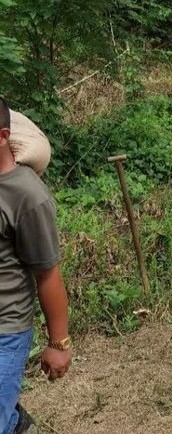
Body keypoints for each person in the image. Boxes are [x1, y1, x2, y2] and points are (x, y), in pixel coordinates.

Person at [0, 98, 72, 434]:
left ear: (3, 136)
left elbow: (48, 273)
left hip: (6, 331)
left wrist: (58, 343)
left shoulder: (27, 196)